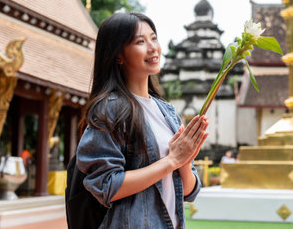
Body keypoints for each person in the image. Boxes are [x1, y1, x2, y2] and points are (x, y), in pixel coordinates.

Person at [77, 12, 209, 229]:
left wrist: (185, 158)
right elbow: (106, 185)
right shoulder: (111, 108)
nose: (152, 47)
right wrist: (171, 160)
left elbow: (188, 191)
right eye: (140, 41)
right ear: (118, 55)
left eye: (153, 38)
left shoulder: (167, 112)